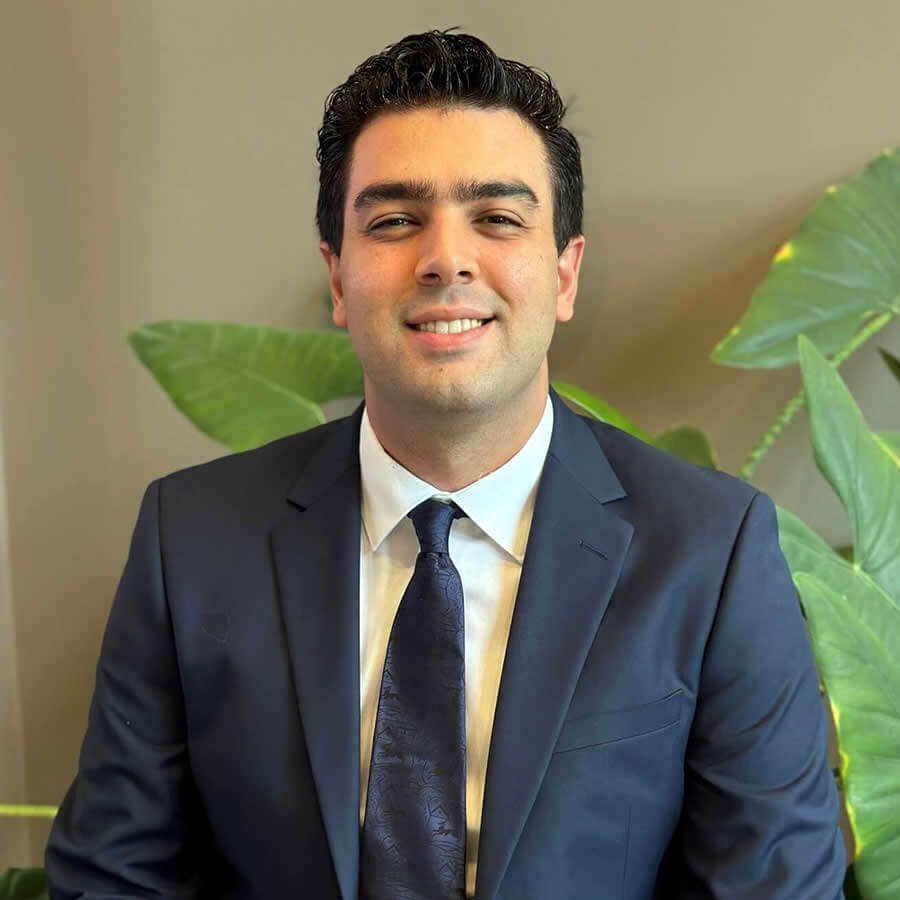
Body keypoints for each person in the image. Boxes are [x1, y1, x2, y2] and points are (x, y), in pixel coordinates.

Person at [45, 28, 846, 899]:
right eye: (395, 222)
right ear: (338, 279)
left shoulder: (711, 553)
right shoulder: (192, 542)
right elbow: (112, 881)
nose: (446, 260)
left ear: (565, 274)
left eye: (497, 218)